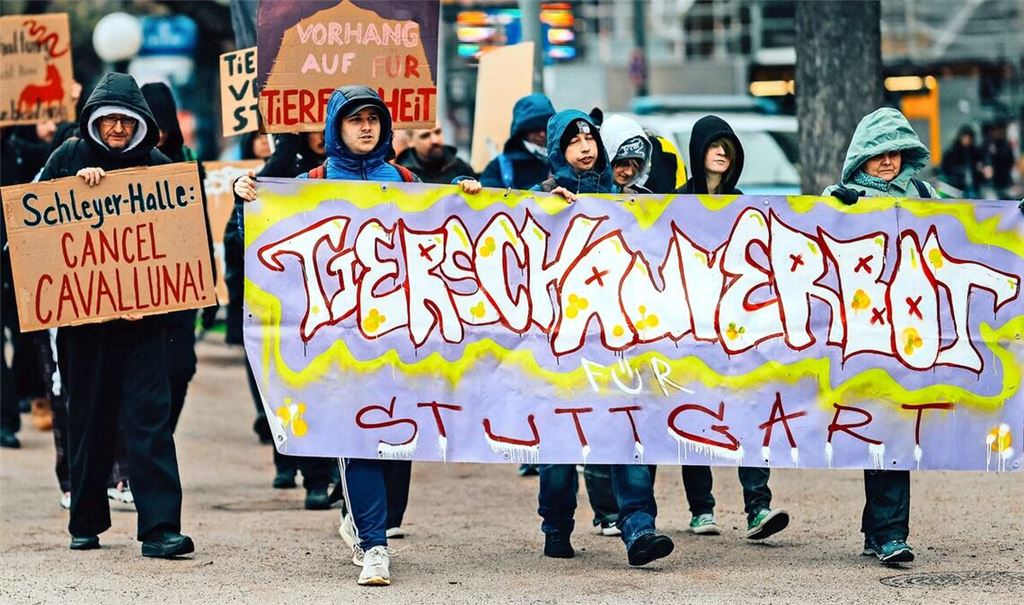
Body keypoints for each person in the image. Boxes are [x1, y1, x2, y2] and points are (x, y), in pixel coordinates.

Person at [235, 84, 479, 586]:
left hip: (403, 338)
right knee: (359, 439)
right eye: (354, 119)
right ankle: (374, 548)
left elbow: (456, 227)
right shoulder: (313, 182)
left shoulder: (407, 179)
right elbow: (266, 234)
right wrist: (248, 199)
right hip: (342, 342)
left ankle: (370, 523)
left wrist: (469, 195)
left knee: (399, 446)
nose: (365, 127)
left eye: (373, 118)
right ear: (336, 128)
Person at [37, 72, 194, 558]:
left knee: (150, 421)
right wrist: (72, 186)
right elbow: (30, 221)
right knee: (89, 419)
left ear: (140, 124)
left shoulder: (160, 167)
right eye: (109, 121)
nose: (119, 130)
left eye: (127, 121)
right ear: (94, 123)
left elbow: (180, 243)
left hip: (143, 325)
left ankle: (160, 528)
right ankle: (85, 522)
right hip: (85, 323)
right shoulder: (67, 157)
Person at [525, 109, 674, 566]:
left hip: (615, 341)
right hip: (559, 342)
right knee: (558, 447)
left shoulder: (624, 198)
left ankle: (638, 527)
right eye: (573, 141)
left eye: (590, 138)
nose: (586, 146)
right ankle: (556, 525)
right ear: (557, 151)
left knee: (625, 431)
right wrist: (470, 195)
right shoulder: (539, 196)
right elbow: (498, 228)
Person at [824, 107, 939, 564]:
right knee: (879, 426)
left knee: (894, 425)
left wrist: (1014, 219)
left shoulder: (925, 194)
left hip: (912, 331)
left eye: (894, 152)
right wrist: (837, 210)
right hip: (862, 332)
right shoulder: (843, 197)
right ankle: (887, 531)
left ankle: (884, 530)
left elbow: (968, 231)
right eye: (877, 154)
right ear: (860, 158)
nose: (887, 162)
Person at [670, 114, 791, 540]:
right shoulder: (674, 201)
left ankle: (758, 506)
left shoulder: (746, 205)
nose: (722, 151)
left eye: (729, 144)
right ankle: (701, 508)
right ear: (697, 150)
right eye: (713, 143)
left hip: (738, 328)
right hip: (688, 327)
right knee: (693, 413)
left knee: (749, 411)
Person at [228, 128, 335, 509]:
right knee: (297, 389)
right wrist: (244, 198)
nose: (320, 135)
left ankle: (330, 474)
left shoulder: (361, 174)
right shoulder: (276, 176)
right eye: (311, 128)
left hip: (346, 304)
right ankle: (310, 474)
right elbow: (240, 238)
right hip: (293, 304)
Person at [479, 93, 555, 190]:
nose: (542, 134)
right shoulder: (501, 165)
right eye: (535, 127)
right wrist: (464, 181)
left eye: (546, 127)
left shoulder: (562, 162)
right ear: (522, 130)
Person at [395, 124, 476, 184]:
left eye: (438, 132)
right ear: (410, 141)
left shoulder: (461, 167)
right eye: (425, 136)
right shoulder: (401, 174)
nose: (435, 140)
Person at [600, 114, 654, 194]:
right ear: (608, 158)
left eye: (636, 165)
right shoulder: (584, 191)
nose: (630, 172)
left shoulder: (643, 196)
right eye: (624, 164)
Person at [940, 124, 987, 198]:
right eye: (965, 137)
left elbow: (981, 164)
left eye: (969, 137)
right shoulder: (952, 152)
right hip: (956, 186)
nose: (967, 140)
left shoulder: (975, 152)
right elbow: (945, 168)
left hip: (973, 186)